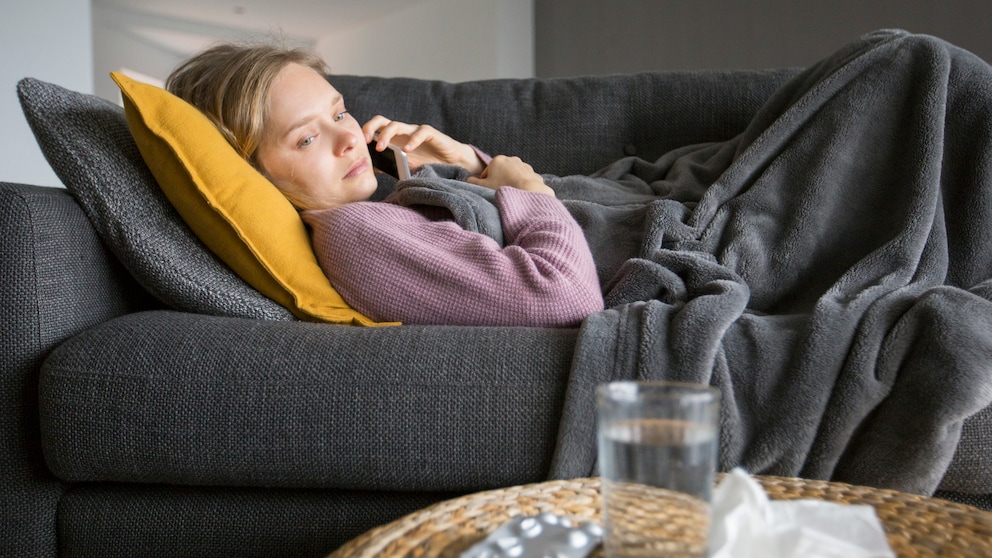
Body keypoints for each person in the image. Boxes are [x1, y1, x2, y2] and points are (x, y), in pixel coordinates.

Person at [165, 43, 604, 327]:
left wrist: (468, 166)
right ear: (251, 173)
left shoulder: (386, 205)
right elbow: (564, 297)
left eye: (338, 114)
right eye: (307, 138)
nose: (349, 138)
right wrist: (530, 194)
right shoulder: (354, 234)